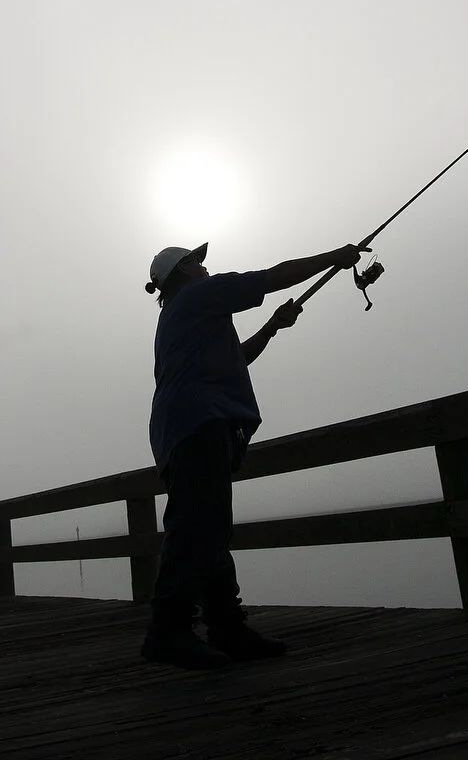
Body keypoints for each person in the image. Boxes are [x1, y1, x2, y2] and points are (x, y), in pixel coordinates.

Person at [140, 240, 368, 669]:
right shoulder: (199, 296)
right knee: (195, 527)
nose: (205, 267)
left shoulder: (182, 316)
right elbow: (274, 276)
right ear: (183, 270)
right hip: (198, 423)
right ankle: (168, 631)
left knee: (208, 529)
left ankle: (226, 628)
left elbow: (236, 359)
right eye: (197, 261)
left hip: (184, 427)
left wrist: (272, 327)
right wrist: (333, 256)